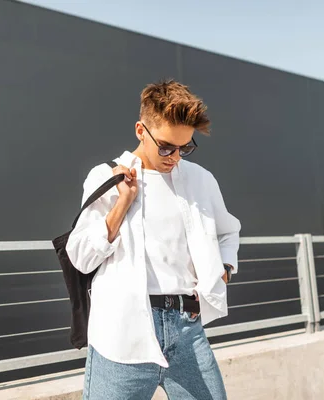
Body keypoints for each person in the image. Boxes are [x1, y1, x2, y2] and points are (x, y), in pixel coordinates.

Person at [66, 79, 241, 400]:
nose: (174, 156)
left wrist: (225, 267)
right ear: (140, 130)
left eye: (184, 147)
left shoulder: (200, 179)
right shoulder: (106, 177)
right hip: (123, 331)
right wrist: (122, 203)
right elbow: (80, 257)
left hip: (187, 328)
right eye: (165, 146)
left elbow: (229, 230)